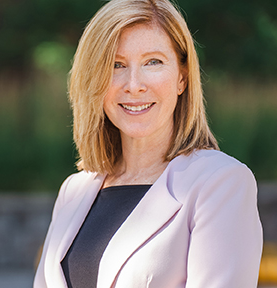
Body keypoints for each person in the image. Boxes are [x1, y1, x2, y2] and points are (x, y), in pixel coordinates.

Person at [34, 0, 263, 287]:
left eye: (153, 62)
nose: (134, 84)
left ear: (182, 77)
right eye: (116, 65)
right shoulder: (74, 191)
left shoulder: (221, 183)